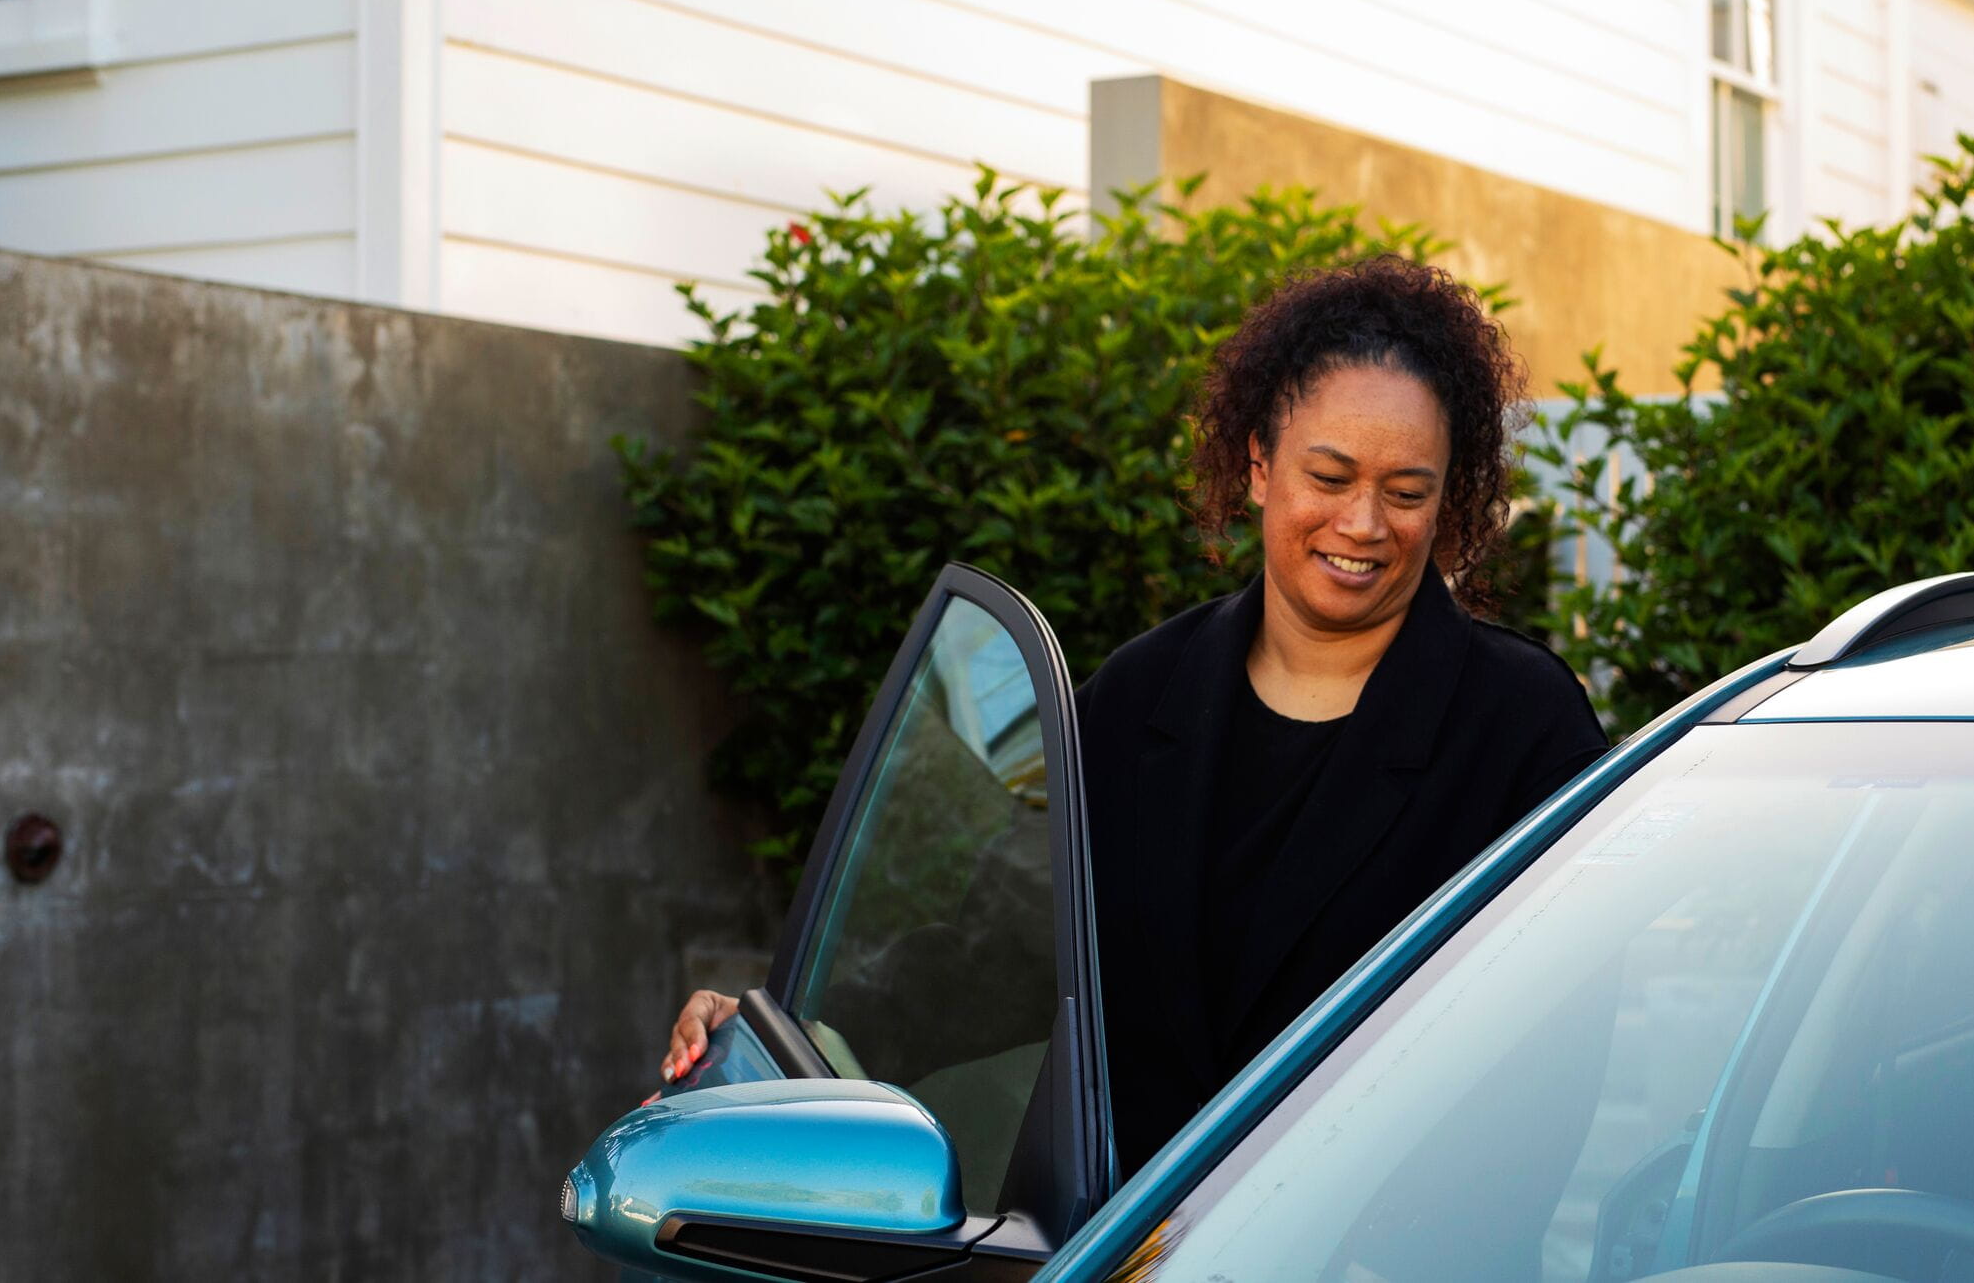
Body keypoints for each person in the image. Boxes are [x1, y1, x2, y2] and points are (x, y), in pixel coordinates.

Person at [659, 255, 1609, 1175]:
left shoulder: (1523, 729)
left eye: (1406, 493)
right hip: (1136, 1247)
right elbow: (998, 954)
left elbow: (1560, 1060)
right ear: (1259, 466)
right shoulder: (1142, 692)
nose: (1363, 524)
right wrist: (776, 1035)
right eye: (1329, 477)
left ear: (1447, 502)